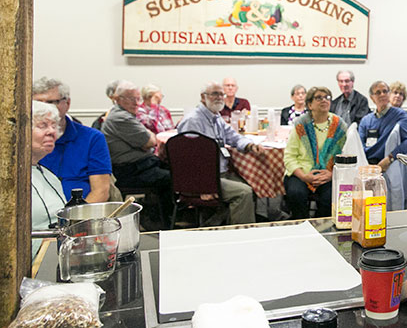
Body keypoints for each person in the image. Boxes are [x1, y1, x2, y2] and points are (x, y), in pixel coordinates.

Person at [176, 81, 260, 224]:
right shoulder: (193, 121)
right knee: (244, 192)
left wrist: (249, 145)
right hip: (203, 179)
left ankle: (217, 225)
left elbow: (232, 136)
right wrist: (203, 186)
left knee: (255, 185)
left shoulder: (215, 117)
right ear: (203, 97)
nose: (220, 97)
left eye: (222, 94)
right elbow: (188, 159)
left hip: (219, 174)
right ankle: (241, 236)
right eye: (215, 94)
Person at [101, 81, 172, 227]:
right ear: (118, 99)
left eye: (137, 98)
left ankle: (158, 214)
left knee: (173, 169)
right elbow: (150, 142)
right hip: (129, 171)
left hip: (140, 165)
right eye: (131, 98)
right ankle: (161, 221)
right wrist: (148, 138)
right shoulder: (121, 118)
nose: (137, 103)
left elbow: (149, 139)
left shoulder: (125, 114)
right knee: (172, 179)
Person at [33, 77, 112, 203]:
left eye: (51, 103)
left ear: (67, 103)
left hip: (80, 215)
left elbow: (101, 191)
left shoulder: (92, 138)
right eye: (38, 103)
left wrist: (73, 220)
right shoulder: (25, 141)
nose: (45, 109)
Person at [284, 86, 348, 220]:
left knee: (330, 196)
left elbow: (346, 155)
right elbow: (289, 156)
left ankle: (322, 230)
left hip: (329, 173)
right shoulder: (301, 124)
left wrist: (332, 174)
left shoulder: (339, 125)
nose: (324, 100)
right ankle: (301, 227)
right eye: (318, 98)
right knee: (296, 193)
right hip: (302, 172)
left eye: (327, 97)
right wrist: (304, 176)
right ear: (310, 104)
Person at [30, 101, 67, 259]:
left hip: (55, 257)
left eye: (54, 126)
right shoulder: (8, 179)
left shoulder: (49, 176)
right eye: (43, 125)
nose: (51, 131)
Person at [358, 81, 407, 169]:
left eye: (385, 91)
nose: (382, 94)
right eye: (378, 92)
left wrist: (390, 158)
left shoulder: (400, 115)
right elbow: (359, 146)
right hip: (368, 165)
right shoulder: (366, 121)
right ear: (372, 98)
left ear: (389, 94)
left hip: (391, 165)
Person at [389, 81, 407, 146]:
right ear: (389, 95)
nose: (398, 96)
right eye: (395, 93)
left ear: (403, 98)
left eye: (401, 94)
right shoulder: (382, 118)